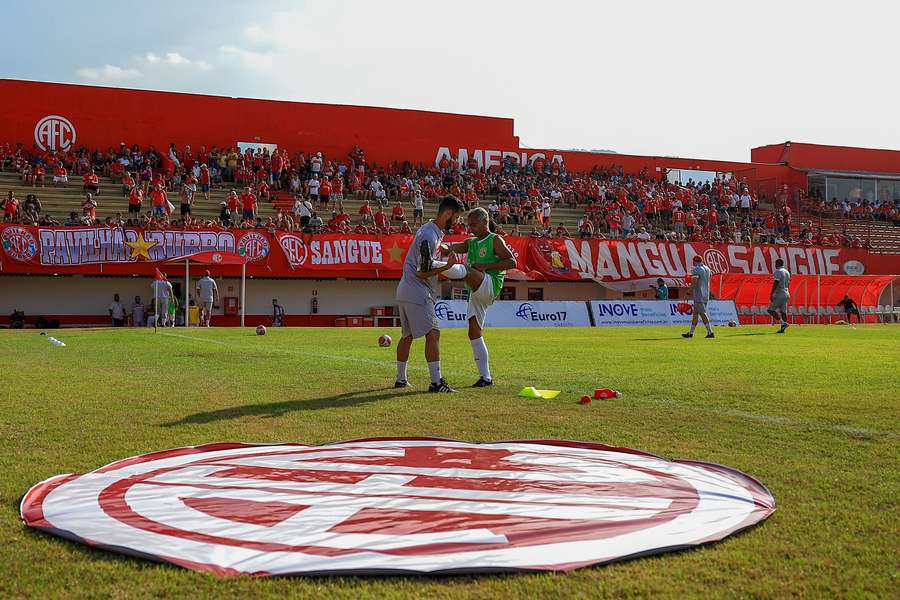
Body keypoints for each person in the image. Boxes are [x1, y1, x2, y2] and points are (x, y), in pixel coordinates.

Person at [394, 195, 465, 392]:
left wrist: (442, 250)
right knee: (433, 333)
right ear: (448, 213)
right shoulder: (429, 235)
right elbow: (422, 271)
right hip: (417, 290)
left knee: (406, 336)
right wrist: (448, 266)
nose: (457, 222)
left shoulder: (429, 229)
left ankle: (401, 379)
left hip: (404, 289)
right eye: (457, 217)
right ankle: (436, 382)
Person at [441, 208, 516, 387]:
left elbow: (512, 261)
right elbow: (449, 248)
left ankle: (432, 266)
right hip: (476, 291)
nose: (470, 228)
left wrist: (487, 265)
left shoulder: (495, 239)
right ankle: (486, 378)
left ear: (485, 222)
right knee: (473, 332)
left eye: (474, 224)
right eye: (469, 225)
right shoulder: (471, 242)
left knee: (466, 269)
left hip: (490, 284)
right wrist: (439, 245)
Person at [682, 255, 714, 339]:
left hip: (699, 294)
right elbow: (709, 277)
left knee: (703, 313)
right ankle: (691, 333)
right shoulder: (707, 269)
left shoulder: (696, 269)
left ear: (694, 261)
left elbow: (694, 282)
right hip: (705, 294)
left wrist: (688, 291)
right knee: (695, 314)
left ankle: (710, 332)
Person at [768, 258, 791, 333]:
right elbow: (788, 283)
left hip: (780, 293)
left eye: (775, 263)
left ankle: (783, 323)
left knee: (770, 310)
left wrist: (771, 293)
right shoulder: (787, 272)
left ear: (777, 264)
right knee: (783, 312)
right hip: (786, 292)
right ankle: (782, 329)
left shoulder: (778, 271)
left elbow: (776, 282)